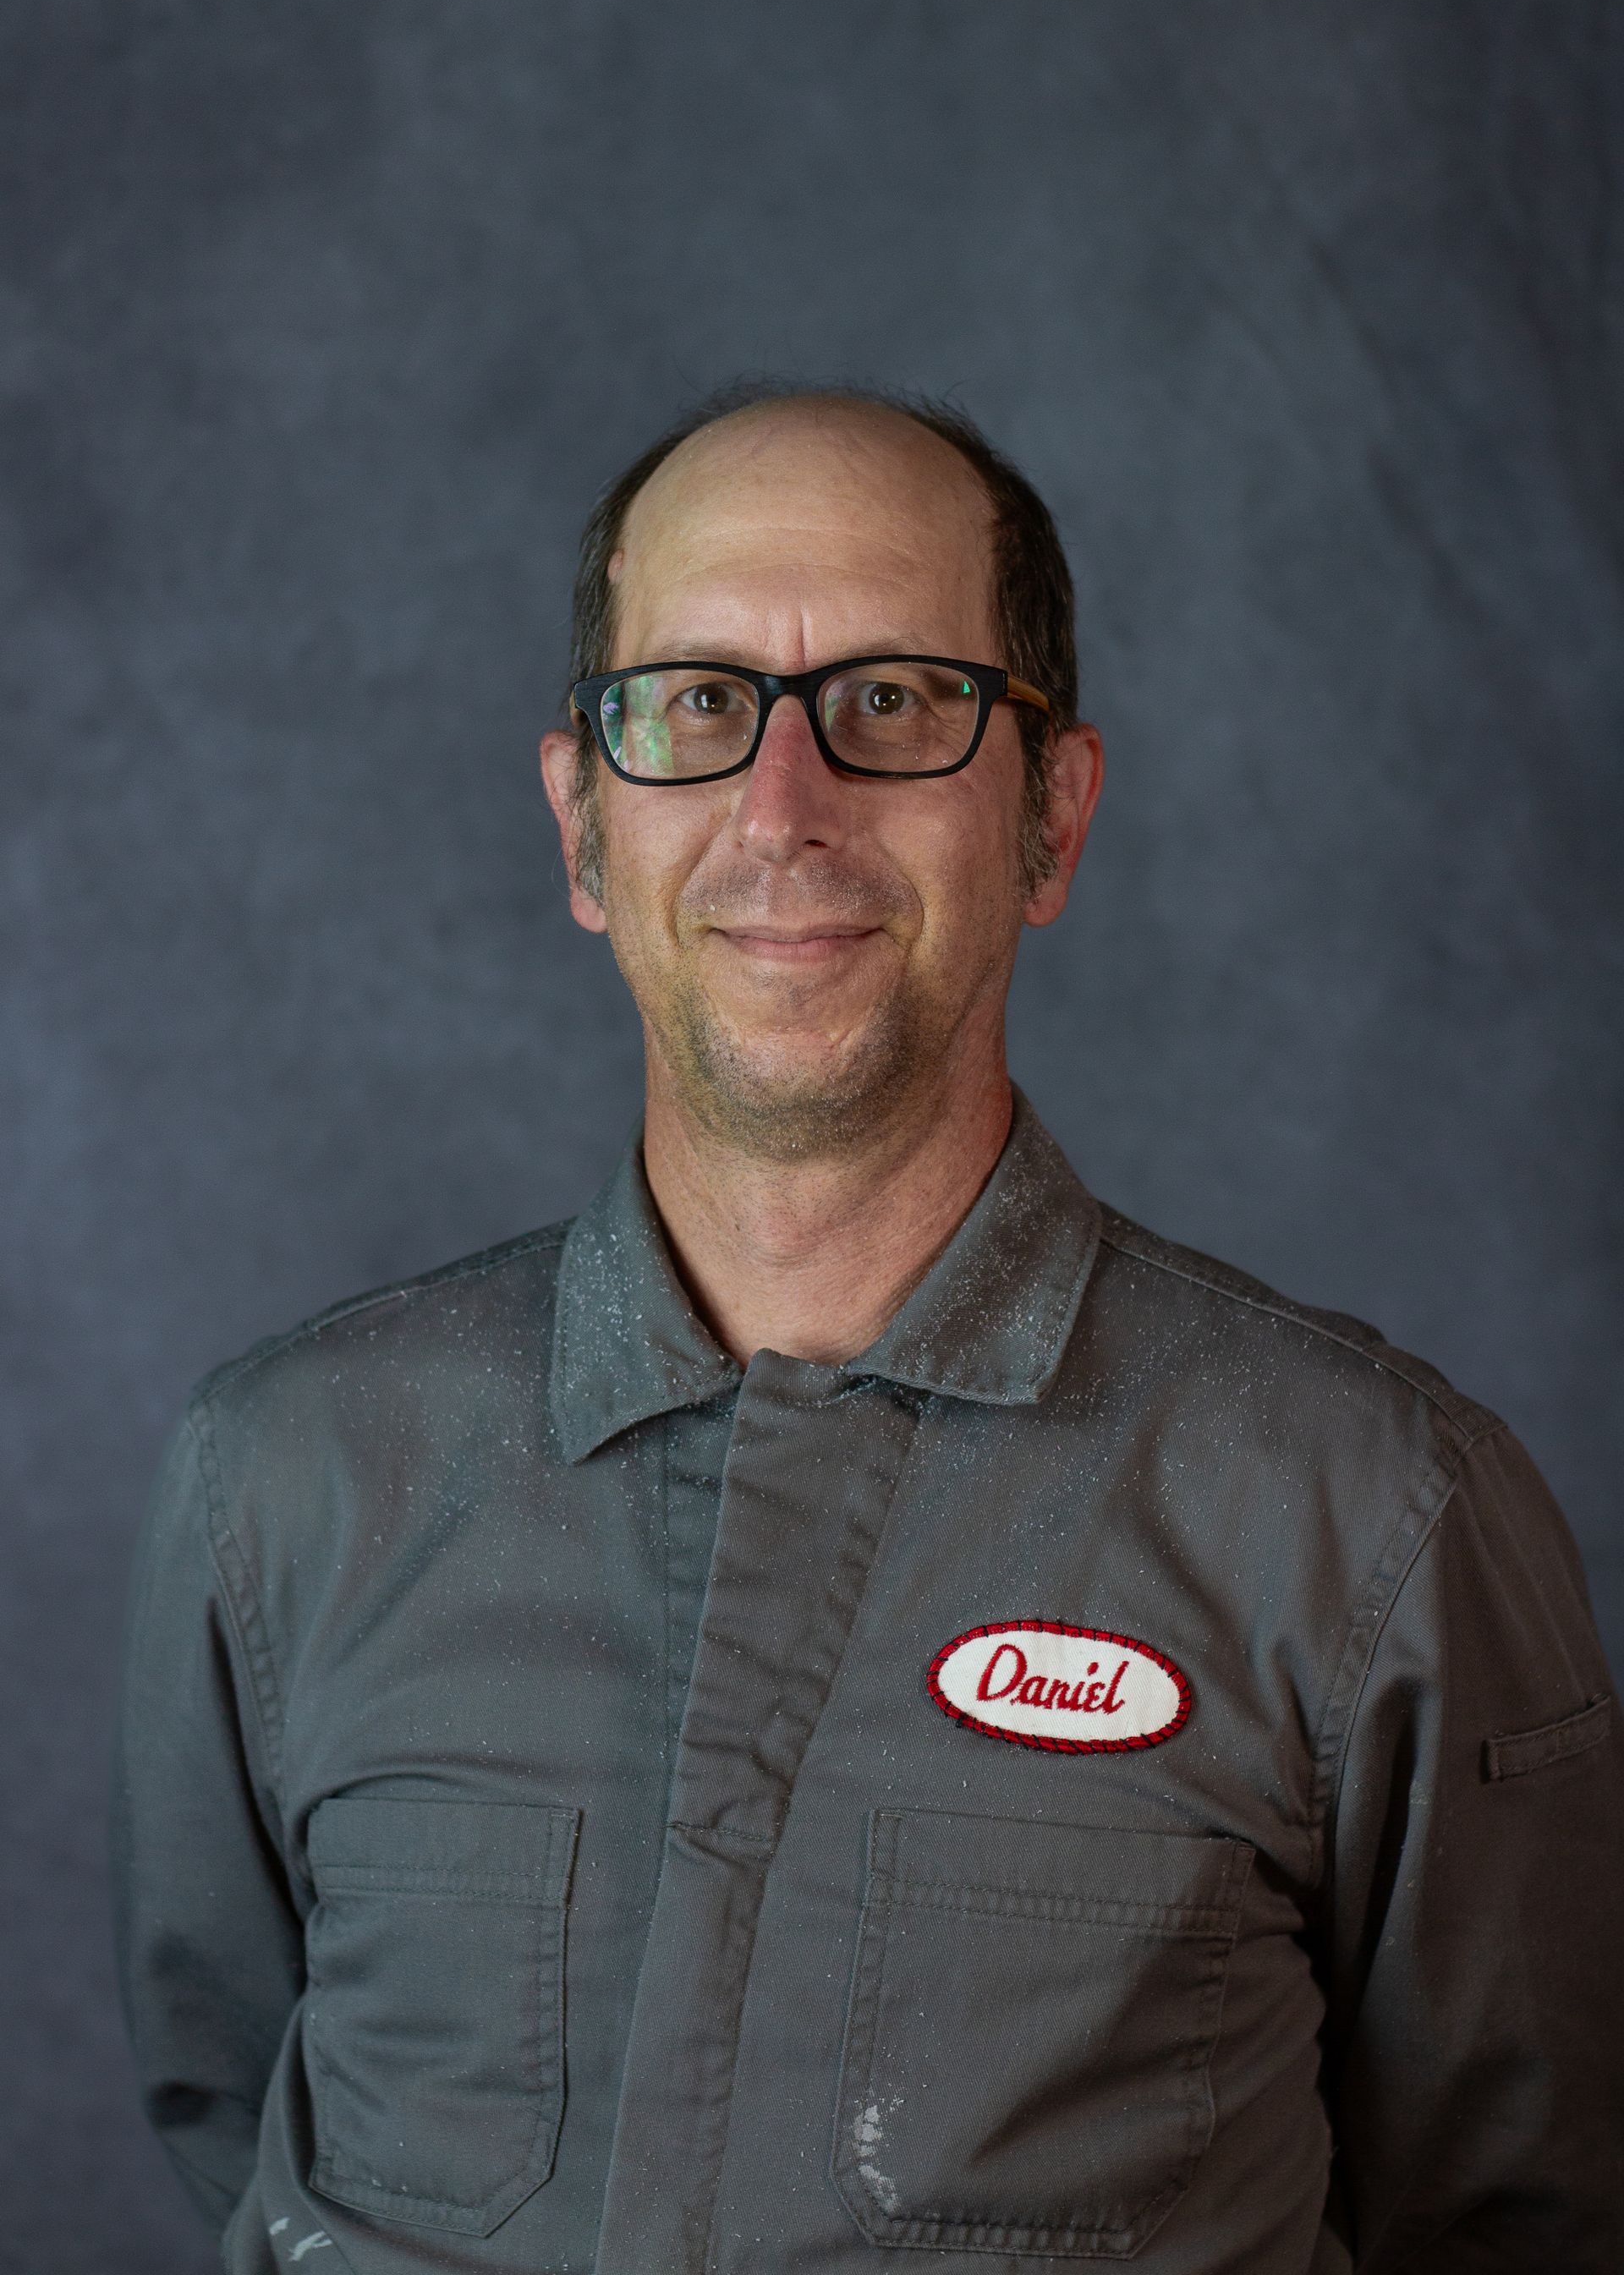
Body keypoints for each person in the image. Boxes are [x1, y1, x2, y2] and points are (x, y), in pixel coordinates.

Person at [112, 388, 1623, 2275]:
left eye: (897, 703)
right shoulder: (285, 1483)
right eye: (696, 705)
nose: (781, 807)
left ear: (1051, 816)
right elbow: (233, 2108)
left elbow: (1521, 2219)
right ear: (588, 827)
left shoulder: (1374, 1522)